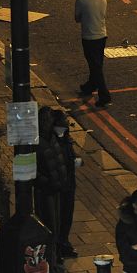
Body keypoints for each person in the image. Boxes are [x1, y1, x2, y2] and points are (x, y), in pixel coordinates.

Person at [34, 106, 69, 273]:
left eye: (49, 119)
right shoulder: (36, 142)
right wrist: (47, 182)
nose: (48, 122)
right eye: (45, 120)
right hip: (45, 193)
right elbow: (33, 172)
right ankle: (51, 270)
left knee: (56, 229)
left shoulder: (52, 136)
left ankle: (54, 263)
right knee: (49, 230)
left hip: (55, 190)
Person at [74, 0, 111, 107]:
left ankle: (104, 95)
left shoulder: (81, 0)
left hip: (89, 36)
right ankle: (90, 85)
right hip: (102, 34)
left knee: (95, 66)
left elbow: (77, 18)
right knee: (97, 64)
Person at [52, 109, 81, 259]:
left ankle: (64, 243)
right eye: (63, 120)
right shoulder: (53, 140)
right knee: (59, 217)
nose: (66, 122)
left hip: (69, 182)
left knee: (67, 216)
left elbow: (70, 154)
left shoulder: (65, 137)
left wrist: (76, 159)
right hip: (59, 185)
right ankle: (58, 248)